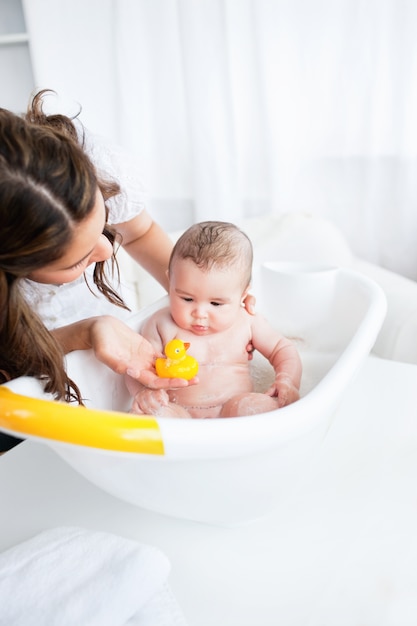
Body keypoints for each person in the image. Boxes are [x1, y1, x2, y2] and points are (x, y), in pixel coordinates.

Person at [0, 91, 255, 452]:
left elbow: (140, 232)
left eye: (102, 225)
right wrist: (83, 333)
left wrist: (206, 296)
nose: (107, 250)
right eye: (77, 260)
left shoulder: (76, 166)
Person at [125, 221, 302, 419]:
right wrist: (143, 393)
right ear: (171, 281)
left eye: (216, 304)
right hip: (179, 412)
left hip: (234, 408)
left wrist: (287, 381)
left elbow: (283, 349)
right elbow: (137, 366)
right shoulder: (161, 324)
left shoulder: (247, 321)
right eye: (187, 299)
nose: (200, 313)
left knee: (262, 408)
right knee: (151, 415)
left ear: (242, 296)